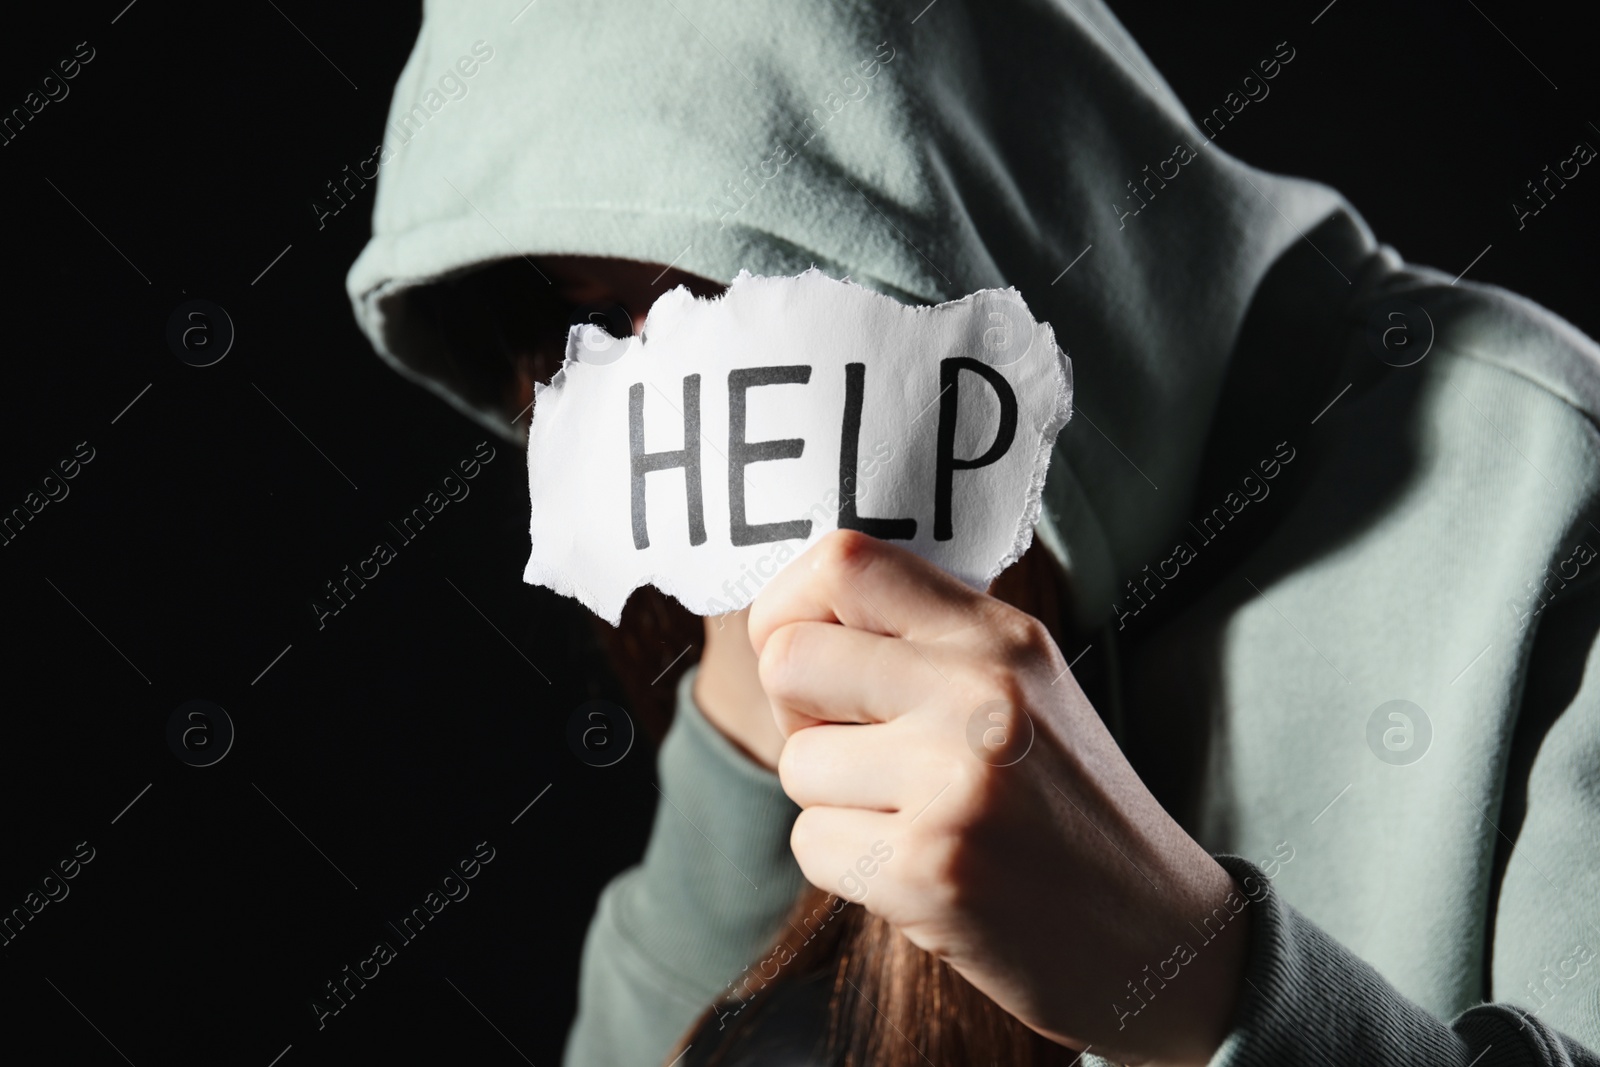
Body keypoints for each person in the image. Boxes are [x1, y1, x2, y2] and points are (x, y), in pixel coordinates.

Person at [345, 1, 1600, 1064]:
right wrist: (735, 761)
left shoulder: (1544, 488)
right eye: (608, 317)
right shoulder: (760, 606)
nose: (679, 385)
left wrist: (1192, 981)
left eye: (736, 287)